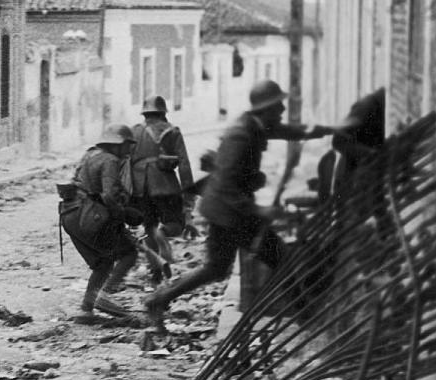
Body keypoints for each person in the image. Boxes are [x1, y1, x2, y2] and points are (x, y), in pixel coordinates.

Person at [144, 79, 335, 328]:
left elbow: (287, 131)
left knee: (221, 267)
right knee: (272, 258)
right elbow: (226, 184)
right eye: (279, 106)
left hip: (232, 210)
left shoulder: (256, 124)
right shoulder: (241, 135)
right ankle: (306, 315)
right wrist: (260, 210)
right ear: (266, 109)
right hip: (228, 209)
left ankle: (159, 300)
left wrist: (327, 130)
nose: (282, 111)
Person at [103, 95, 195, 292]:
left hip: (139, 189)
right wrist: (189, 198)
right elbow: (184, 165)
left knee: (149, 226)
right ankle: (163, 235)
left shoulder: (134, 131)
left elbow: (122, 161)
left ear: (144, 114)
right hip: (165, 186)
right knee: (175, 223)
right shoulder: (172, 131)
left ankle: (156, 273)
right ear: (163, 113)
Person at [58, 124, 144, 323]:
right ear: (119, 144)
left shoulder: (90, 154)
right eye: (127, 145)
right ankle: (104, 295)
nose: (129, 150)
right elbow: (109, 195)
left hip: (70, 214)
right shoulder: (111, 160)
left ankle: (86, 310)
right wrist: (124, 214)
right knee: (129, 253)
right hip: (87, 216)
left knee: (103, 262)